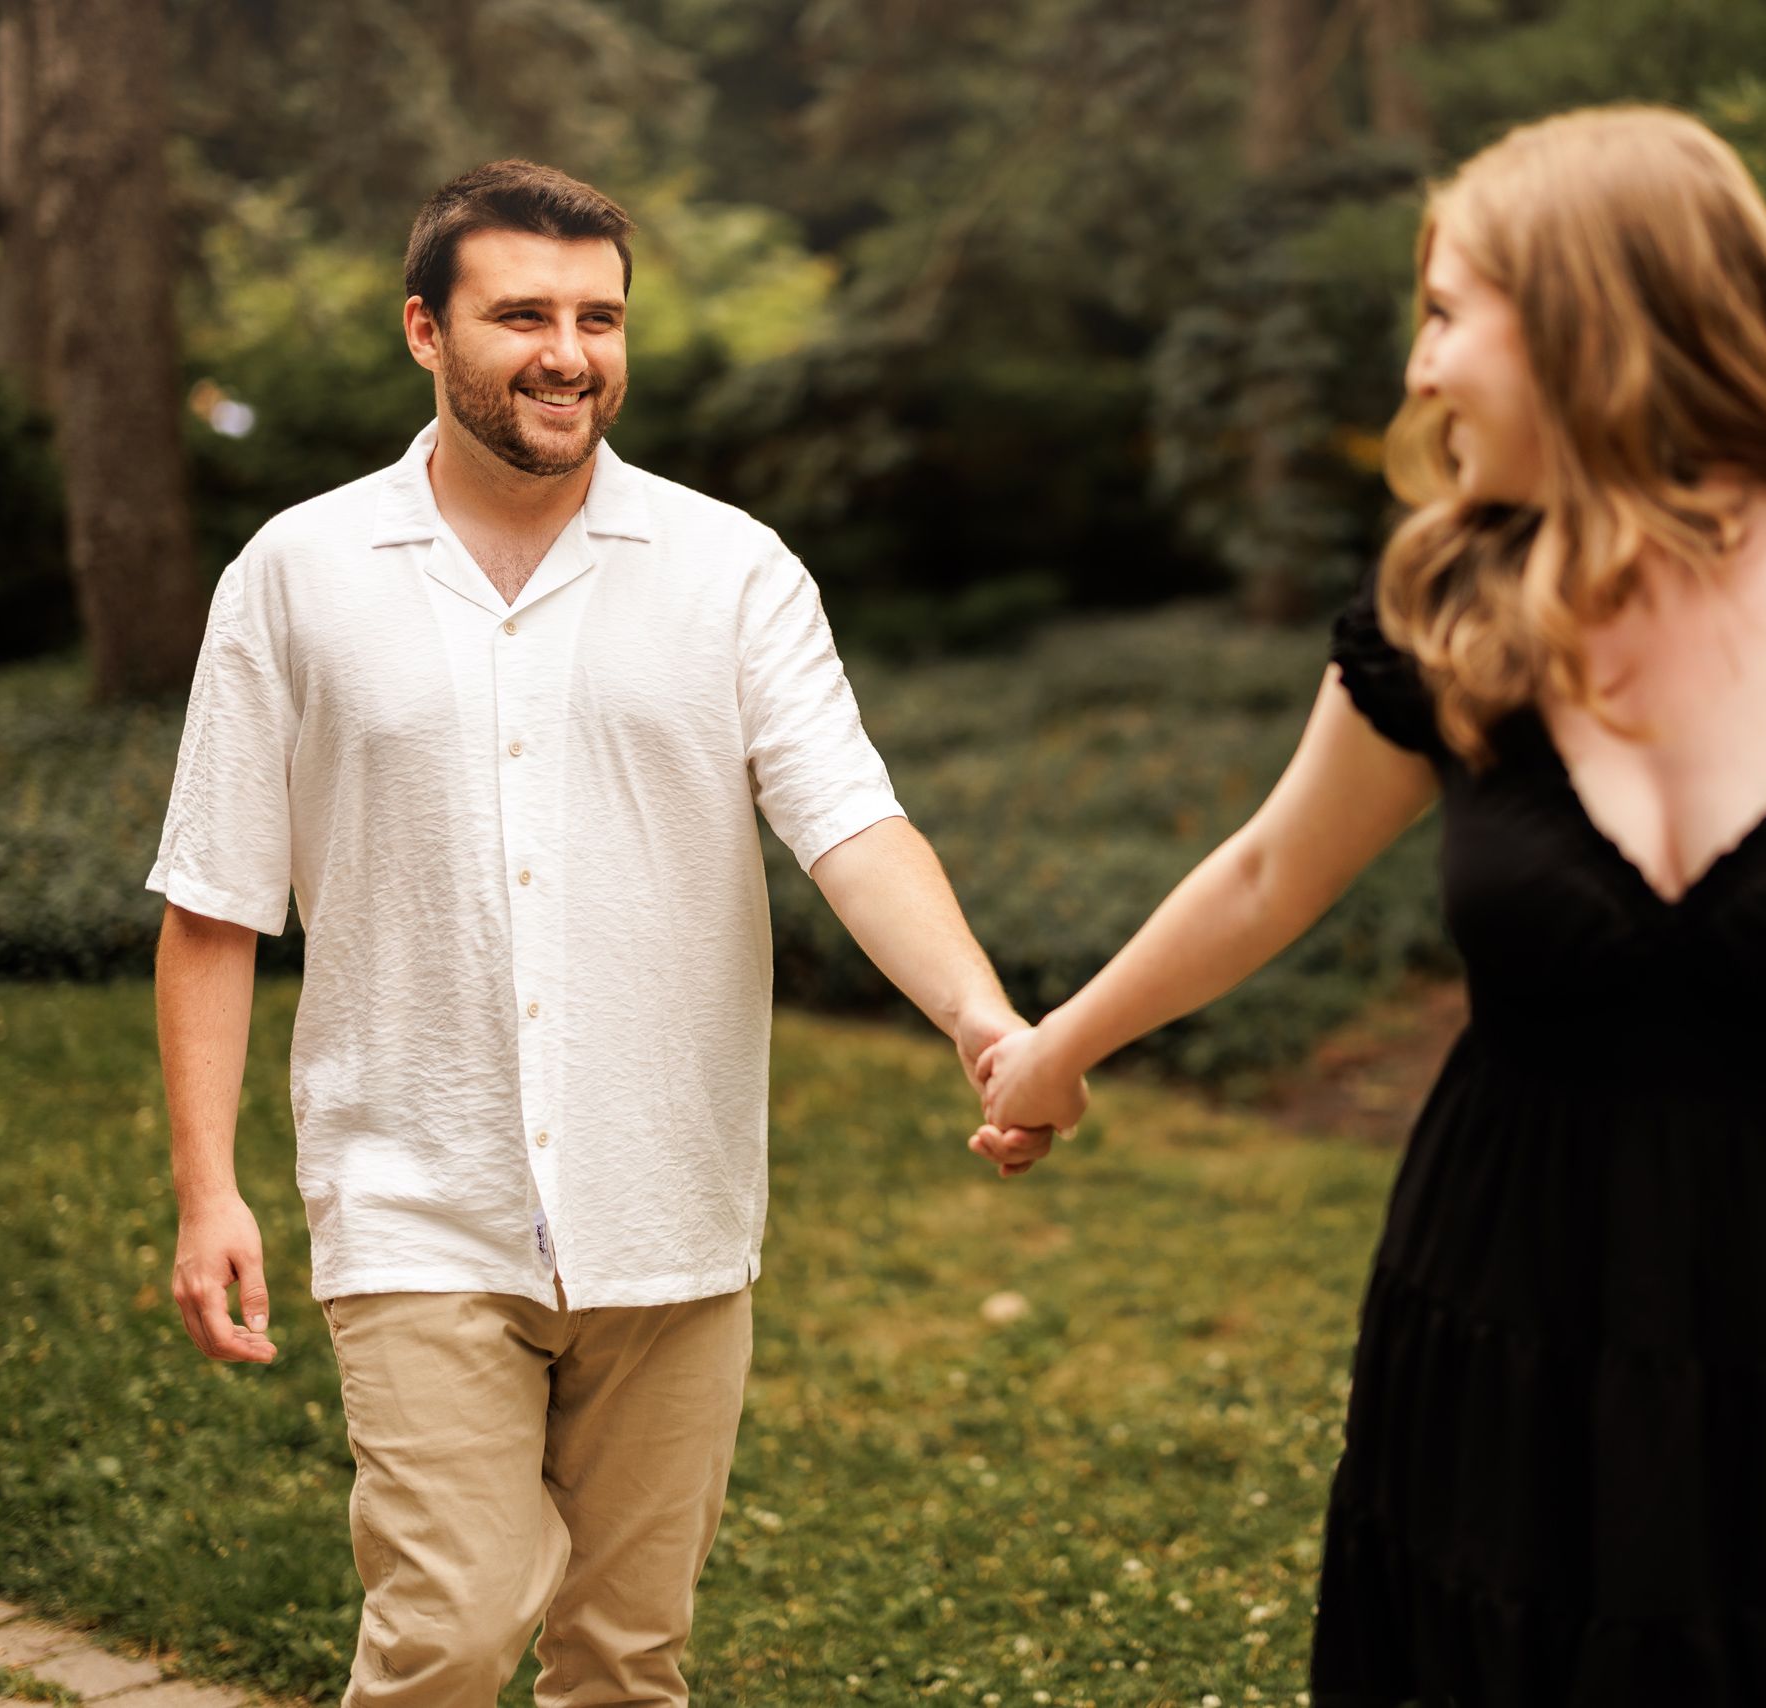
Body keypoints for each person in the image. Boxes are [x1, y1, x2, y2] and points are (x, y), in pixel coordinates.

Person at [971, 107, 1766, 1705]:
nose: (1415, 373)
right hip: (1518, 1311)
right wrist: (1060, 1050)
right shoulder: (1449, 598)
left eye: (1442, 314)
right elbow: (1272, 869)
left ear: (1587, 312)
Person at [151, 160, 1051, 1708]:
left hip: (673, 1205)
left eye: (599, 317)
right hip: (416, 1193)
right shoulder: (292, 577)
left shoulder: (730, 569)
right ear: (426, 332)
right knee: (451, 1626)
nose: (570, 352)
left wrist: (983, 1018)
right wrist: (207, 1190)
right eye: (523, 315)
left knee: (630, 1661)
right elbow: (217, 903)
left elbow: (850, 822)